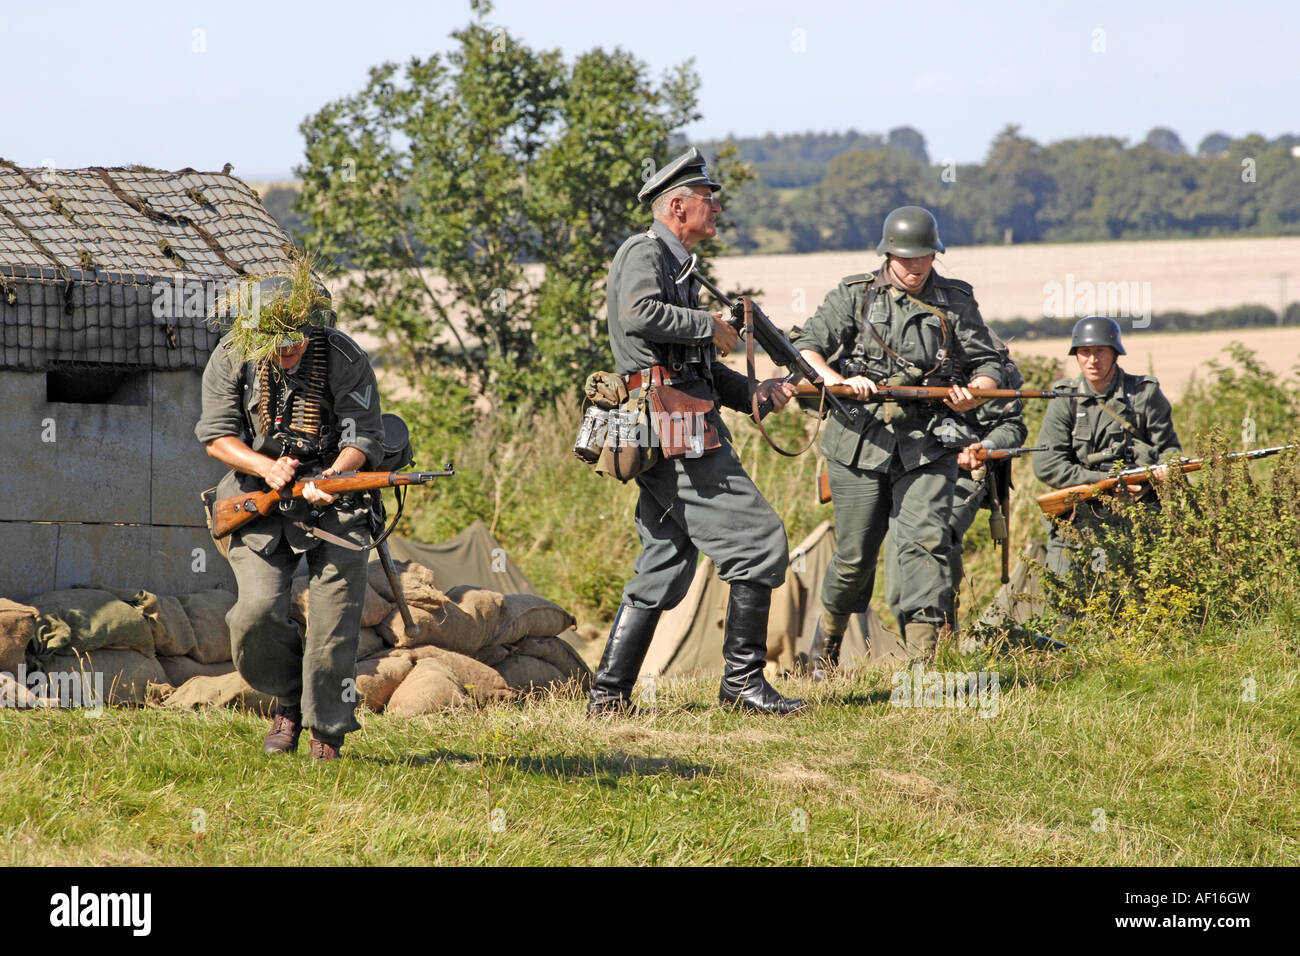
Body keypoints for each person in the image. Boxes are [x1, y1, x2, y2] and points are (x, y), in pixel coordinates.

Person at [587, 147, 803, 716]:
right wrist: (709, 325)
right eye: (708, 200)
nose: (717, 208)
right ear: (677, 206)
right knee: (759, 541)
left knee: (666, 557)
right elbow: (638, 315)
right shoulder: (644, 251)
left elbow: (694, 368)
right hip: (671, 428)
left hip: (677, 419)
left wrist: (752, 393)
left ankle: (607, 697)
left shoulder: (681, 265)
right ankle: (741, 686)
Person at [798, 205, 1006, 675]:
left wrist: (974, 395)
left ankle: (922, 664)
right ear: (887, 254)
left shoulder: (955, 300)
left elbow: (990, 363)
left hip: (929, 442)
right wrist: (837, 381)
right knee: (854, 558)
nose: (915, 267)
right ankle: (823, 653)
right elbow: (805, 346)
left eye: (924, 258)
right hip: (859, 442)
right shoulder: (855, 296)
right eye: (906, 258)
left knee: (923, 545)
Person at [195, 266, 385, 760]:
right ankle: (289, 701)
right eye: (275, 342)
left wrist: (333, 477)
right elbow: (217, 436)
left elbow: (364, 434)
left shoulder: (343, 357)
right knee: (254, 616)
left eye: (296, 339)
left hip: (334, 501)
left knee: (333, 624)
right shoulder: (231, 357)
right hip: (258, 501)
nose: (288, 350)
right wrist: (267, 468)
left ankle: (326, 732)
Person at [882, 330, 1027, 644]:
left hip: (964, 475)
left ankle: (940, 642)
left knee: (937, 536)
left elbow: (1012, 426)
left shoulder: (994, 363)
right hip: (912, 469)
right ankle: (917, 645)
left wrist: (983, 447)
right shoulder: (911, 355)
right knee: (897, 568)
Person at [1033, 315, 1181, 575]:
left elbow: (1169, 448)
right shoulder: (1065, 398)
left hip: (1137, 513)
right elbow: (1047, 465)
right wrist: (1107, 482)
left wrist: (1166, 469)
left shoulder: (1144, 394)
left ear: (1115, 354)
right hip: (1079, 516)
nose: (1092, 360)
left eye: (1100, 351)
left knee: (1142, 595)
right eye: (1085, 352)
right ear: (1076, 355)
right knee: (1066, 598)